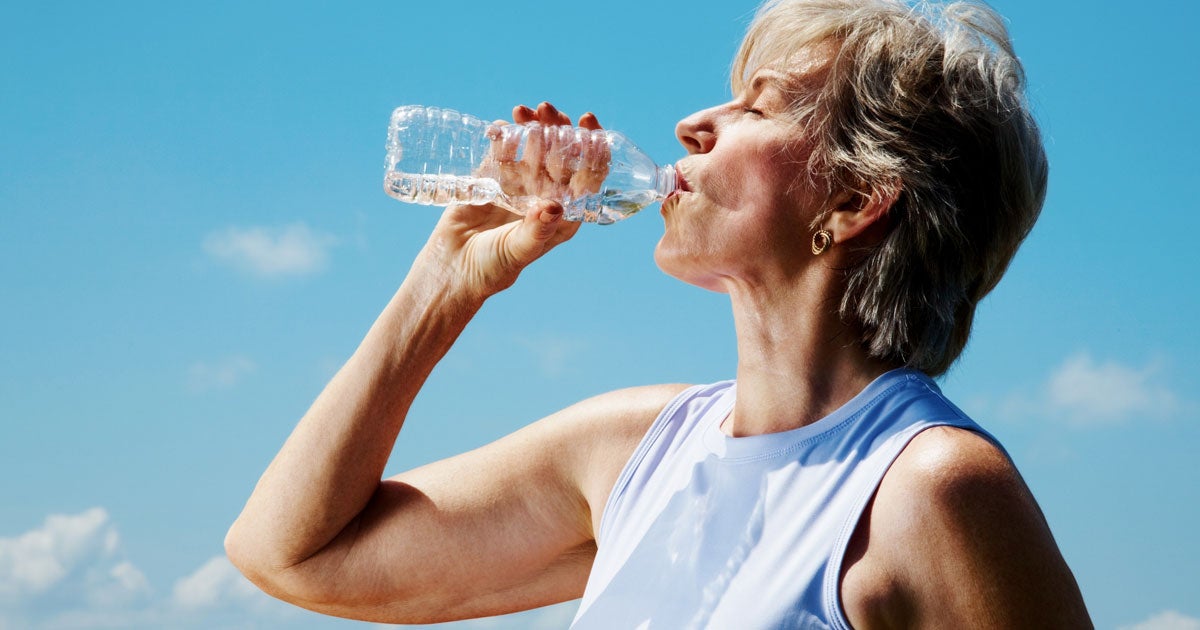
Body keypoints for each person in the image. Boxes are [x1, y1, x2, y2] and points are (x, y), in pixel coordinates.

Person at [225, 0, 1093, 627]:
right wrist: (443, 289)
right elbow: (289, 555)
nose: (689, 125)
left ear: (858, 199)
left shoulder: (930, 492)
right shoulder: (636, 449)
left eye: (757, 105)